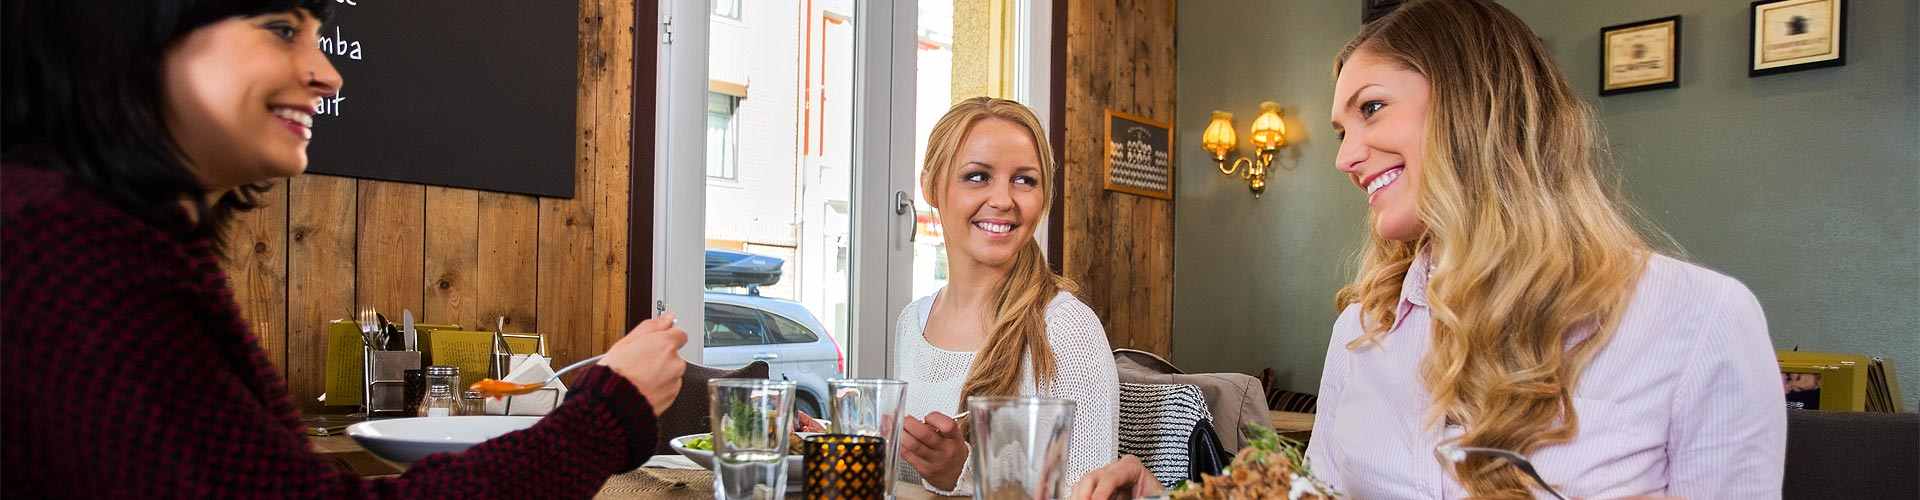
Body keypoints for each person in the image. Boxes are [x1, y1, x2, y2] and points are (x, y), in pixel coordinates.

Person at [1073, 0, 1785, 498]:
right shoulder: (1362, 331)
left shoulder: (1700, 320)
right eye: (1341, 128)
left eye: (1372, 109)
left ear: (1477, 102)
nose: (1346, 155)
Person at [1, 2, 687, 497]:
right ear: (129, 30)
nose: (327, 74)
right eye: (280, 30)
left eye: (319, 36)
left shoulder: (84, 237)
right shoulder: (65, 255)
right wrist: (607, 410)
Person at [893, 97, 1119, 495]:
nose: (1003, 200)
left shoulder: (1066, 328)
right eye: (978, 176)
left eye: (1025, 180)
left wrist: (964, 474)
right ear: (930, 186)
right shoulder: (912, 322)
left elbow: (1085, 493)